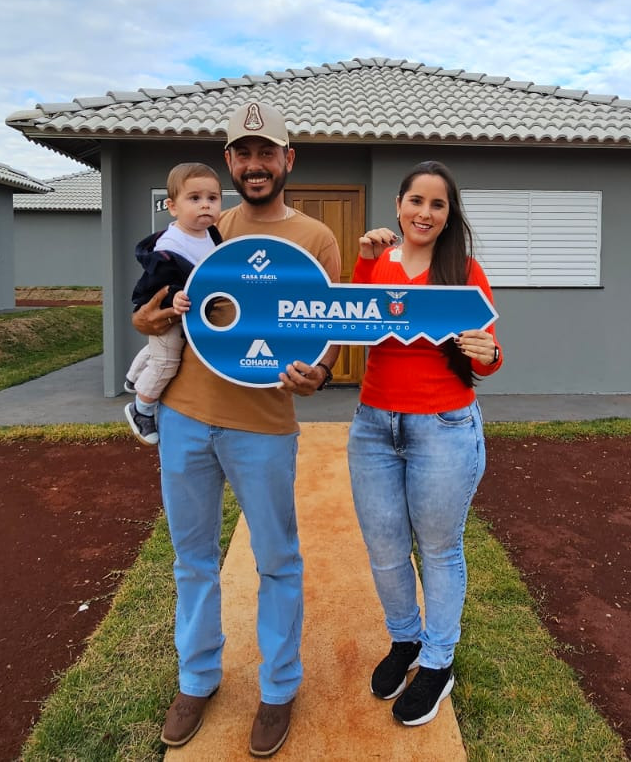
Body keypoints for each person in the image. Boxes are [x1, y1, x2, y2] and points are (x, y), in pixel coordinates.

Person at [132, 100, 341, 758]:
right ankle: (197, 679)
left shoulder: (314, 238)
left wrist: (322, 370)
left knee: (277, 562)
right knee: (192, 562)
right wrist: (153, 318)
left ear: (288, 159)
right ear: (229, 163)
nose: (255, 164)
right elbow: (152, 312)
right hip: (186, 418)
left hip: (264, 428)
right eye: (242, 153)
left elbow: (327, 327)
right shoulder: (202, 227)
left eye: (266, 152)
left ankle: (278, 689)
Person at [348, 160, 502, 727]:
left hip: (443, 425)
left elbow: (488, 351)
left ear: (448, 214)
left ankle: (438, 661)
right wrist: (365, 258)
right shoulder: (378, 260)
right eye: (416, 201)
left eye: (438, 205)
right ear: (398, 205)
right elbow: (355, 321)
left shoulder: (463, 270)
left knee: (438, 549)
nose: (425, 213)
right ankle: (405, 640)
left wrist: (489, 354)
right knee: (385, 549)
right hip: (373, 425)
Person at [122, 162, 224, 446]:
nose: (205, 205)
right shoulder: (170, 244)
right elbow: (157, 282)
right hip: (170, 310)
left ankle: (133, 378)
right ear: (172, 206)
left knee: (159, 350)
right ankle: (140, 407)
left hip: (190, 311)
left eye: (212, 198)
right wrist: (174, 296)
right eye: (194, 198)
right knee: (166, 361)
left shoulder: (211, 235)